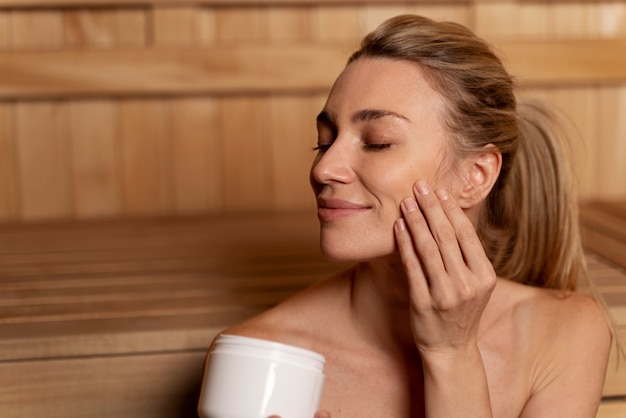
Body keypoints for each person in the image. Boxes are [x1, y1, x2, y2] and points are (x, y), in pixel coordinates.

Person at [202, 15, 612, 417]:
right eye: (324, 142)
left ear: (476, 176)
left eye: (377, 142)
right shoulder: (261, 358)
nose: (323, 169)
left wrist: (452, 354)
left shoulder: (564, 334)